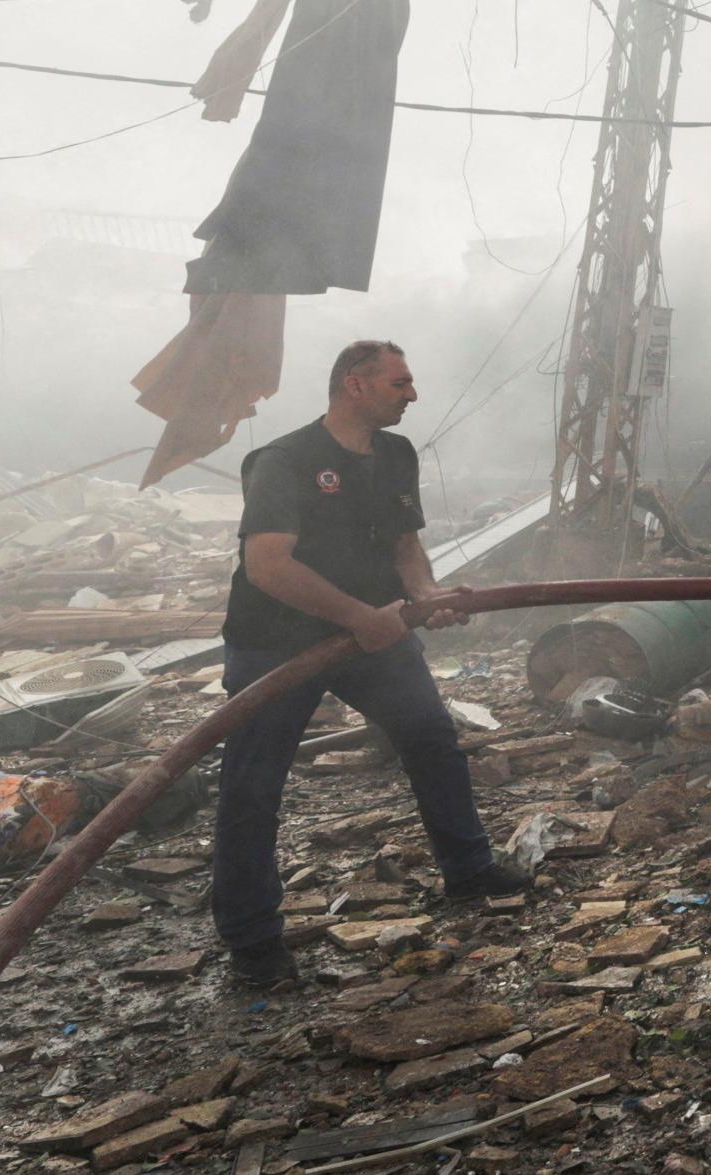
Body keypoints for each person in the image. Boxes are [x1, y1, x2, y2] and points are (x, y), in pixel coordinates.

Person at [212, 340, 529, 989]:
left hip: (374, 635)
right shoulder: (283, 460)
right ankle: (253, 945)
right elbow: (267, 565)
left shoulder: (396, 454)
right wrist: (358, 615)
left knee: (432, 738)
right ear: (354, 385)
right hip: (276, 641)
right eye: (399, 382)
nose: (412, 394)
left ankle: (469, 870)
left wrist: (425, 595)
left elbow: (405, 542)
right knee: (252, 785)